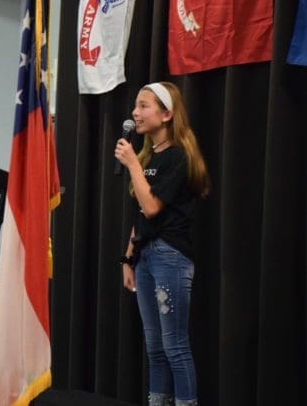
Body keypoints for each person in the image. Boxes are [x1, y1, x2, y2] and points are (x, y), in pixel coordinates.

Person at [114, 82, 210, 406]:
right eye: (135, 106)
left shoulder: (178, 156)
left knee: (175, 346)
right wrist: (128, 259)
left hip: (171, 257)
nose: (134, 113)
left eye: (144, 106)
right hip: (145, 258)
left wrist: (132, 166)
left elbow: (154, 206)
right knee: (154, 347)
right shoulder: (146, 156)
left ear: (167, 114)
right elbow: (141, 215)